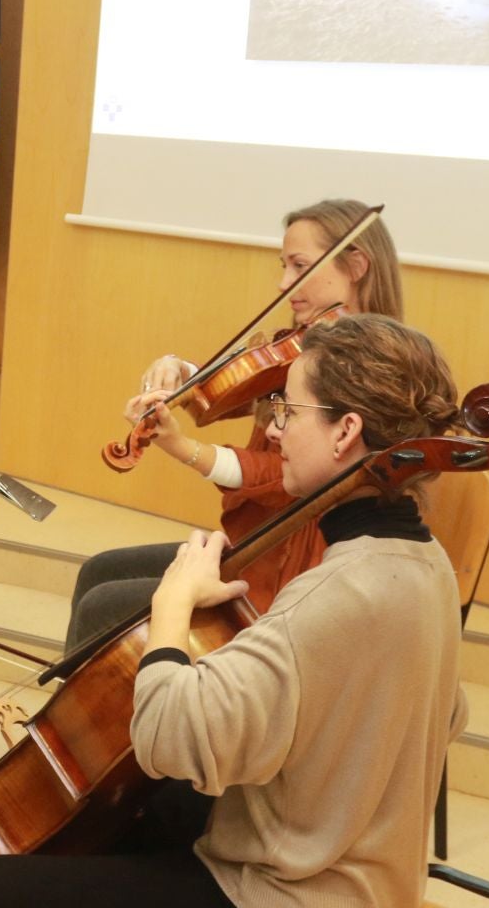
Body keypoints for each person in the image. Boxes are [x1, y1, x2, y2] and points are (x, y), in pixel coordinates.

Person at [0, 312, 469, 908]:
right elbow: (451, 712)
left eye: (288, 412)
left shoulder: (329, 592)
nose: (273, 433)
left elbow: (169, 736)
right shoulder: (427, 562)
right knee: (139, 815)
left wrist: (172, 607)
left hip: (290, 902)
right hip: (366, 873)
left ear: (345, 431)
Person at [64, 198, 403, 651]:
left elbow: (287, 480)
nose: (285, 283)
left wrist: (185, 449)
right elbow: (239, 389)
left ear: (356, 264)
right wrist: (182, 371)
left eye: (299, 266)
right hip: (255, 546)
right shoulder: (306, 345)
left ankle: (112, 717)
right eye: (283, 265)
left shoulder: (366, 367)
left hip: (287, 567)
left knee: (103, 605)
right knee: (99, 572)